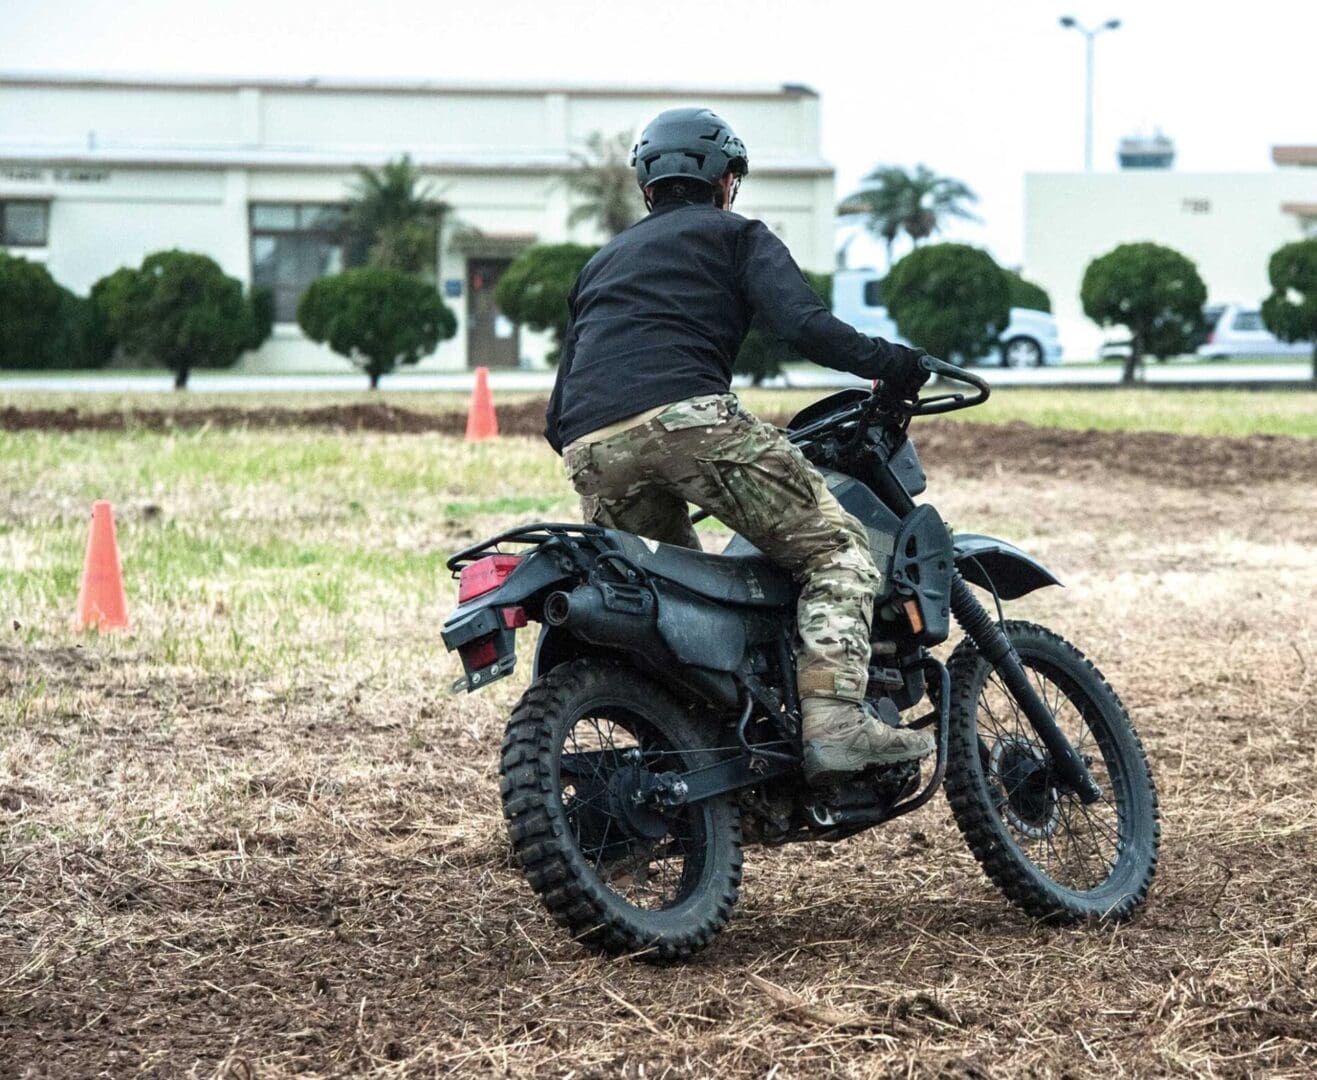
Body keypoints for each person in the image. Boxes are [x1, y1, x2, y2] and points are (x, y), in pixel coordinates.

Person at [544, 107, 935, 786]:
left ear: (647, 186)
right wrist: (892, 362)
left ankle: (712, 758)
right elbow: (804, 327)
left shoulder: (602, 261)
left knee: (683, 616)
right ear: (726, 179)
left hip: (589, 446)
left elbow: (558, 406)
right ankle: (837, 726)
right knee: (835, 548)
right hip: (693, 422)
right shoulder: (737, 235)